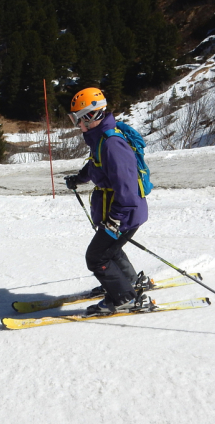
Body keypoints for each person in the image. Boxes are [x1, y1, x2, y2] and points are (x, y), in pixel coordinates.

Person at [64, 87, 149, 314]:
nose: (77, 125)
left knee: (97, 257)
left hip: (124, 212)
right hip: (121, 212)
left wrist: (115, 219)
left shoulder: (112, 144)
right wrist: (78, 179)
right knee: (110, 249)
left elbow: (128, 189)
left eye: (78, 119)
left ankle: (125, 298)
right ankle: (128, 283)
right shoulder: (101, 139)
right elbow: (96, 165)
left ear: (92, 116)